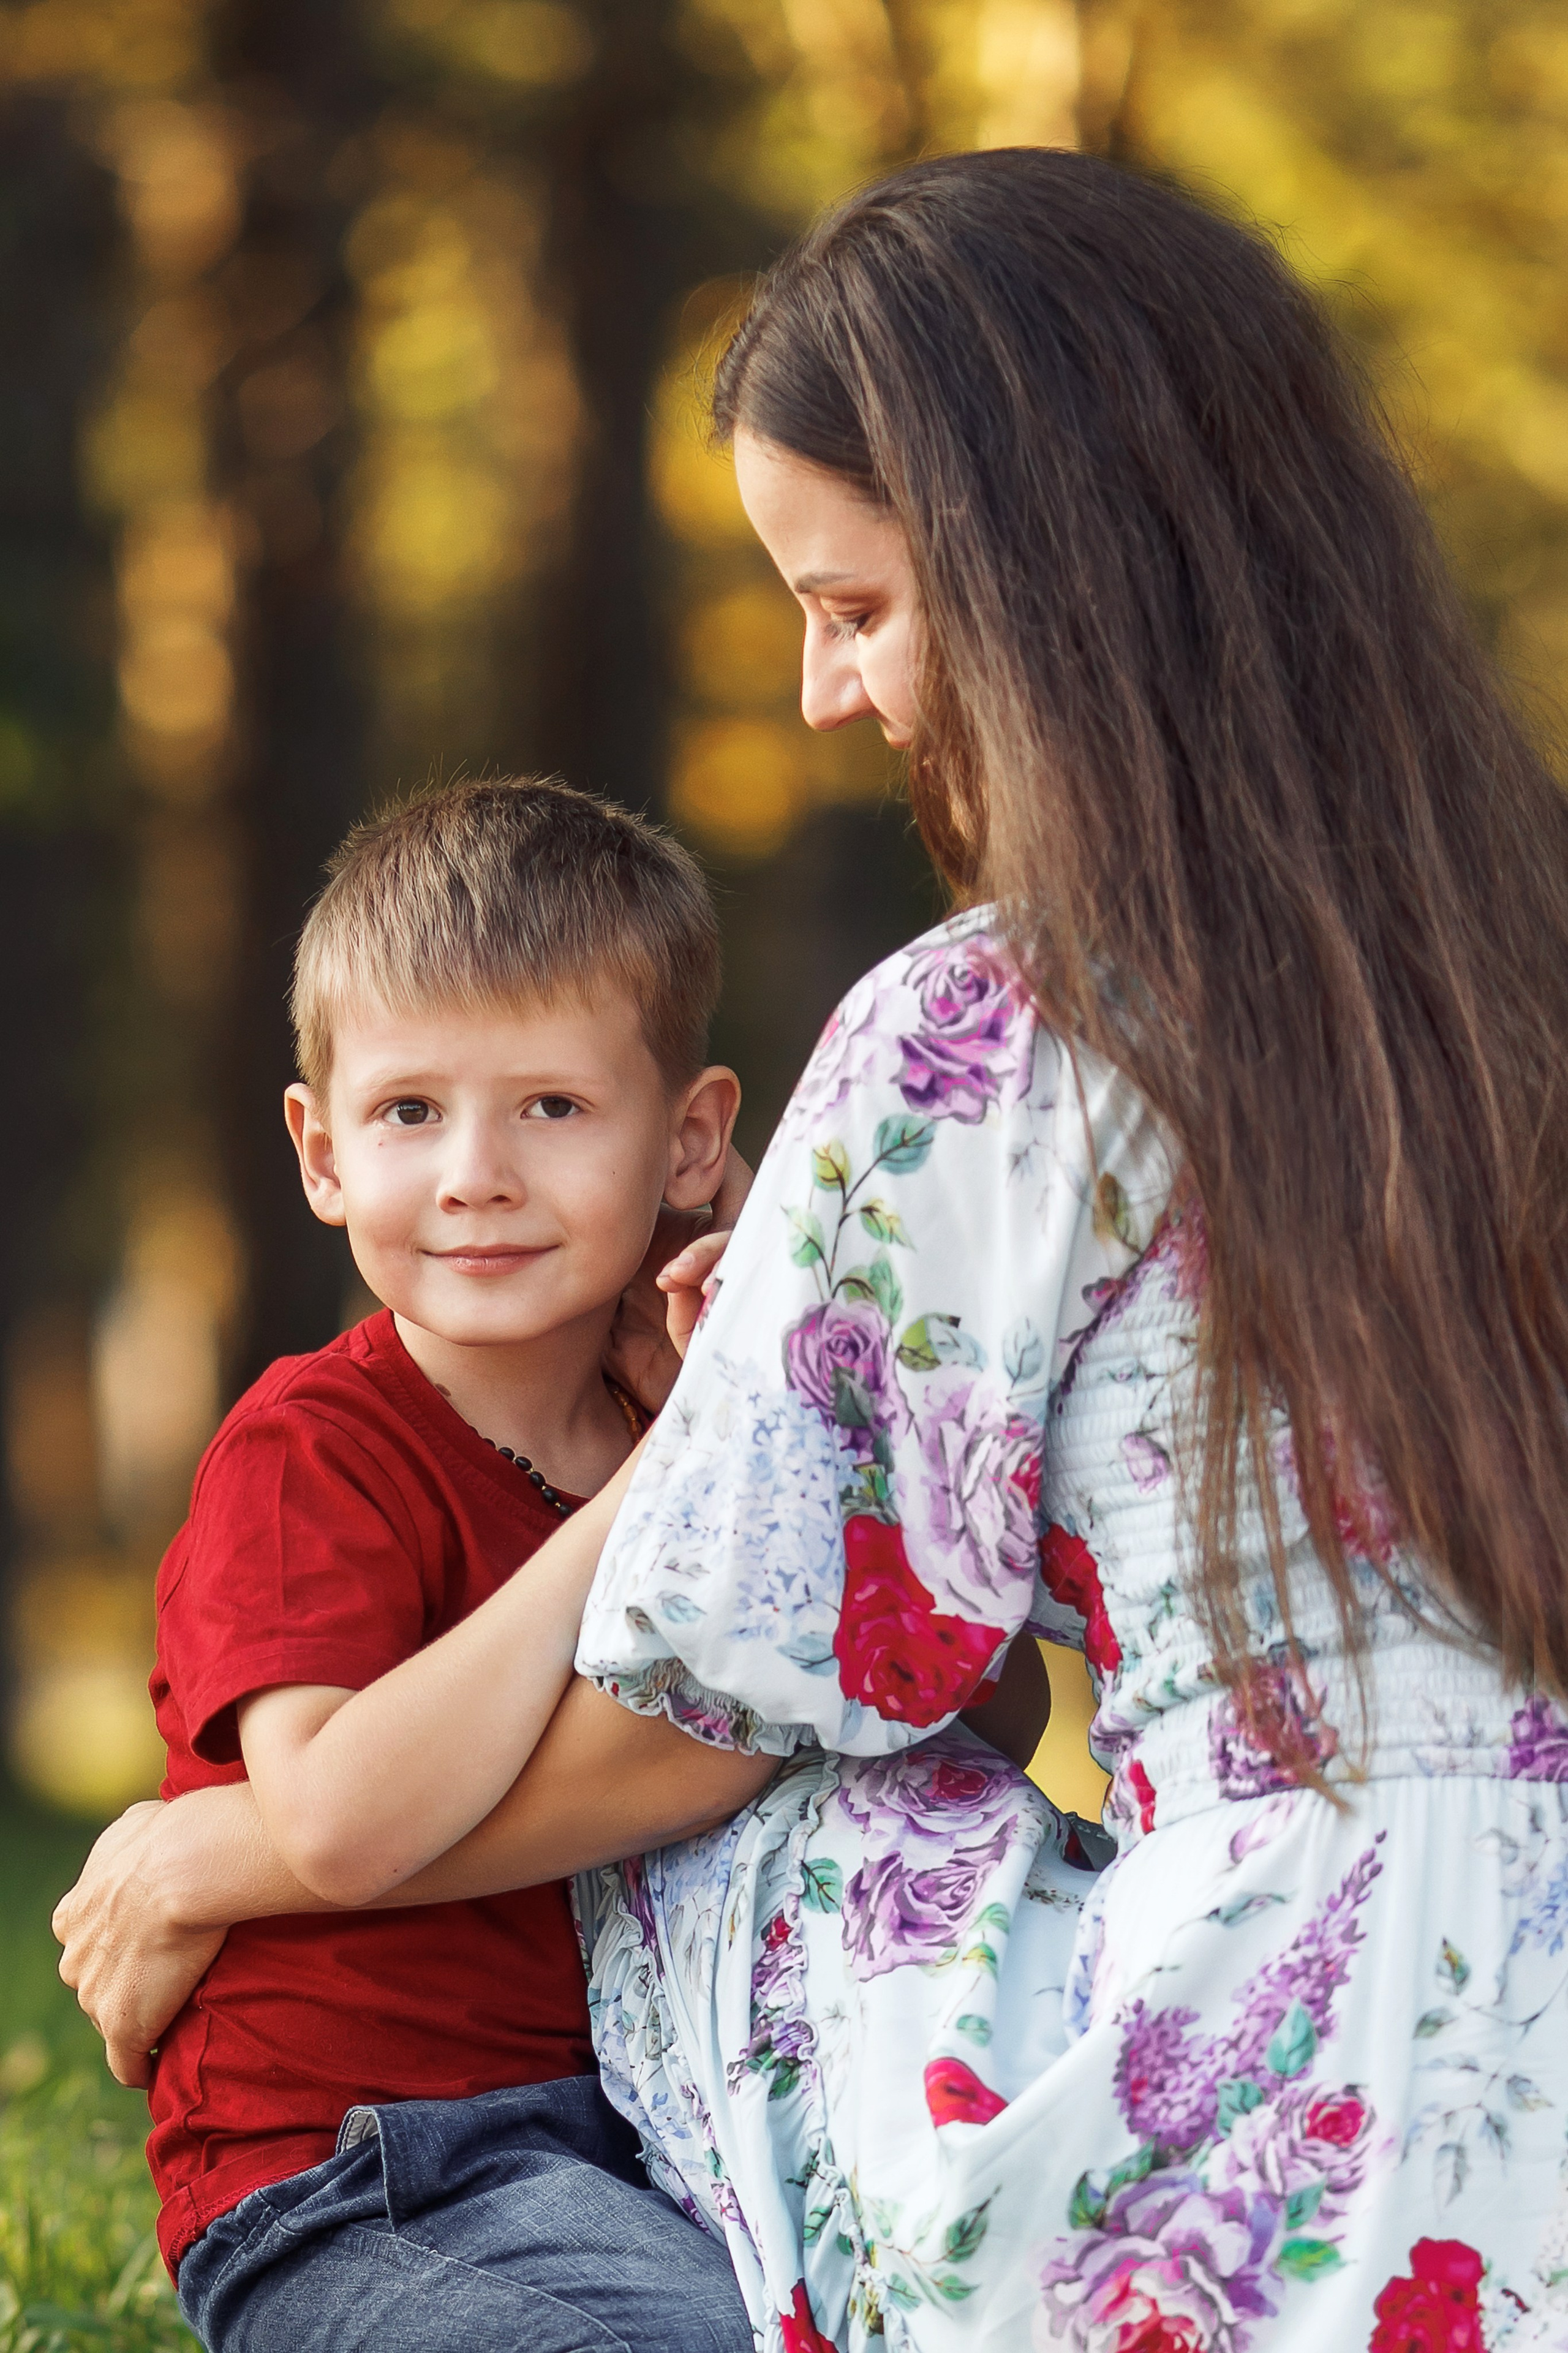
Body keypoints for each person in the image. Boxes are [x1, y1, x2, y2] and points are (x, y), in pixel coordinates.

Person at [57, 148, 1568, 2352]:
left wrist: (221, 1857)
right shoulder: (1503, 984)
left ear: (1054, 579)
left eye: (851, 606)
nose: (820, 697)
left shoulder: (992, 1031)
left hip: (1266, 2087)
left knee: (791, 1811)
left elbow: (747, 1688)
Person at [126, 775, 765, 2352]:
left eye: (552, 1107)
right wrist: (636, 1508)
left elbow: (945, 1703)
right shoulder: (313, 1453)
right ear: (321, 1149)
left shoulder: (678, 1408)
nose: (475, 1170)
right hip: (338, 2175)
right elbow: (338, 1822)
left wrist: (762, 1390)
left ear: (689, 1141)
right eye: (410, 1111)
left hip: (615, 2149)